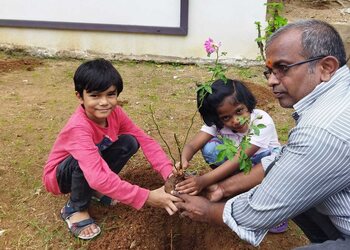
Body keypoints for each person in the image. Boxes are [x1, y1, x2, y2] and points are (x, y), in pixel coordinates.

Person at [174, 19, 350, 249]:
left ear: (326, 67)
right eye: (269, 71)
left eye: (283, 68)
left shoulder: (321, 129)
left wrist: (209, 211)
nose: (271, 81)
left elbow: (258, 212)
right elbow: (284, 162)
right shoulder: (335, 101)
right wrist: (222, 188)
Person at [42, 58, 181, 240]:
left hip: (91, 166)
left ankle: (93, 190)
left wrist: (168, 173)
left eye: (110, 94)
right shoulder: (78, 128)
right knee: (84, 165)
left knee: (129, 141)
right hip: (61, 176)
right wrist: (147, 196)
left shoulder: (115, 114)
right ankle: (75, 208)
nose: (104, 102)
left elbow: (144, 140)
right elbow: (97, 175)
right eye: (95, 96)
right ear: (79, 96)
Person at [174, 79, 286, 233]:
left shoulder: (261, 121)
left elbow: (239, 158)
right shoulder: (217, 124)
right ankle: (236, 188)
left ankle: (270, 208)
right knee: (210, 148)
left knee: (273, 161)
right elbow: (193, 145)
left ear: (247, 104)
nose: (236, 120)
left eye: (239, 111)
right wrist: (183, 160)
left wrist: (203, 181)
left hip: (264, 167)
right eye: (226, 118)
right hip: (240, 166)